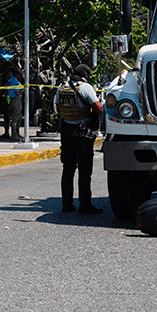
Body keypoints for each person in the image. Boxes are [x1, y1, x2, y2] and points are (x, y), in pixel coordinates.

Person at [54, 64, 103, 214]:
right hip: (83, 133)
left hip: (66, 131)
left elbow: (57, 107)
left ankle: (66, 204)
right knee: (84, 169)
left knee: (68, 169)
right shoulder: (85, 87)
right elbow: (98, 108)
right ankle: (85, 204)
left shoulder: (61, 87)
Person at [8, 71, 24, 140]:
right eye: (20, 75)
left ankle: (16, 133)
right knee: (16, 118)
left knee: (19, 117)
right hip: (16, 100)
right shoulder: (15, 81)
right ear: (17, 75)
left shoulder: (10, 80)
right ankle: (14, 134)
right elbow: (17, 92)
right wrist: (22, 90)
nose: (21, 77)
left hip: (12, 99)